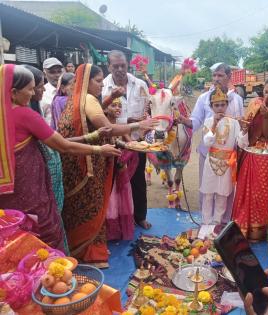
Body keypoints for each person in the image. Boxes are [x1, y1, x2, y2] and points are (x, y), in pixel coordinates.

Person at [0, 64, 121, 251]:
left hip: (7, 194)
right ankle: (52, 271)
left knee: (13, 234)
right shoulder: (25, 115)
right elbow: (63, 145)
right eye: (31, 89)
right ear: (14, 92)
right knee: (42, 232)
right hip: (30, 191)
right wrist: (99, 149)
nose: (33, 94)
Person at [58, 64, 158, 267]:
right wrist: (139, 125)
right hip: (85, 165)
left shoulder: (79, 100)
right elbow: (108, 128)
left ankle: (80, 248)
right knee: (90, 206)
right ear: (86, 82)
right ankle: (89, 252)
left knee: (81, 206)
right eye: (97, 80)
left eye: (103, 80)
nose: (102, 83)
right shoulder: (88, 100)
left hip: (79, 161)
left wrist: (127, 142)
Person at [177, 63, 244, 221]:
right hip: (208, 154)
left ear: (229, 77)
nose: (216, 79)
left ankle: (223, 223)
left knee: (226, 192)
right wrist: (183, 120)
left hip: (229, 157)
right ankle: (205, 223)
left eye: (220, 75)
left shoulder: (237, 100)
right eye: (214, 75)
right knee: (206, 190)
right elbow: (196, 121)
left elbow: (240, 126)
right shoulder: (203, 98)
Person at [232, 77, 268, 240]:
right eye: (265, 91)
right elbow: (247, 122)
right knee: (243, 189)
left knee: (260, 193)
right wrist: (243, 124)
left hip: (266, 155)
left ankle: (257, 231)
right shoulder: (255, 102)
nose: (267, 96)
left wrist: (266, 116)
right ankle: (240, 225)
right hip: (249, 149)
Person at [102, 50, 152, 230]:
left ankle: (140, 216)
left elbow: (148, 111)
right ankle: (116, 220)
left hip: (137, 143)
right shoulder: (103, 86)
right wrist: (127, 122)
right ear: (109, 66)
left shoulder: (140, 84)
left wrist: (145, 129)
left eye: (123, 65)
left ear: (128, 64)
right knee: (114, 183)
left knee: (138, 180)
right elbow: (100, 114)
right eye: (115, 66)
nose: (120, 69)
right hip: (113, 143)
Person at [200, 86, 249, 225]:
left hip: (228, 163)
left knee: (222, 196)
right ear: (211, 106)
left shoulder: (234, 123)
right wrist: (214, 124)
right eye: (216, 105)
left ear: (227, 105)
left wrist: (244, 131)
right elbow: (207, 142)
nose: (220, 108)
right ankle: (205, 223)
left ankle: (216, 224)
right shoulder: (208, 121)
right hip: (211, 162)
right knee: (208, 194)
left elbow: (241, 144)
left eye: (223, 105)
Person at [105, 98, 138, 240]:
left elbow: (132, 144)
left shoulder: (121, 127)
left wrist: (144, 144)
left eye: (120, 106)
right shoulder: (101, 127)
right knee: (109, 201)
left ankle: (118, 230)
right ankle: (107, 232)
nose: (117, 108)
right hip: (107, 170)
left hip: (119, 169)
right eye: (113, 105)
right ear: (105, 109)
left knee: (120, 199)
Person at [40, 57, 64, 125]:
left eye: (59, 71)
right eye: (52, 72)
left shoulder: (69, 91)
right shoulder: (42, 93)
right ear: (44, 74)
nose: (57, 75)